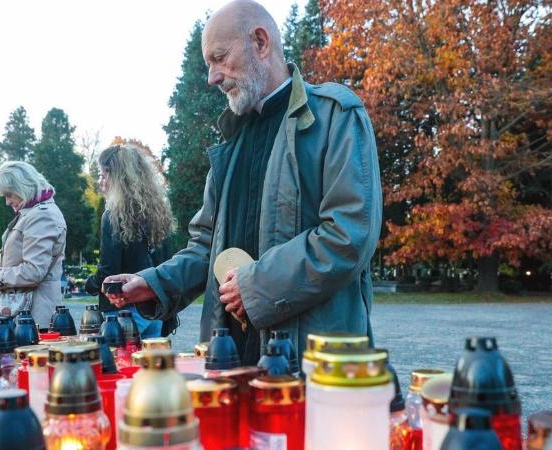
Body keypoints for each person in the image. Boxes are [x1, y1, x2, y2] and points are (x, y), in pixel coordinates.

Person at [103, 0, 382, 365]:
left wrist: (256, 287)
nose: (212, 77)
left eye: (219, 58)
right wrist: (154, 282)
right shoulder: (229, 142)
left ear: (261, 42)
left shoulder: (335, 115)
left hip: (312, 366)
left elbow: (349, 234)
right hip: (229, 359)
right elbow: (207, 246)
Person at [84, 144, 174, 338]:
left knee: (119, 366)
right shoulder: (159, 213)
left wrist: (88, 284)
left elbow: (108, 271)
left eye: (104, 175)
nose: (102, 182)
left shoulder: (113, 216)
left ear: (117, 177)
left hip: (122, 311)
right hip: (154, 309)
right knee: (149, 366)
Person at [0, 161, 68, 328]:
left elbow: (34, 271)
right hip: (24, 314)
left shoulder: (41, 216)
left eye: (9, 194)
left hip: (32, 317)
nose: (7, 202)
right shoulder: (33, 212)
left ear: (23, 187)